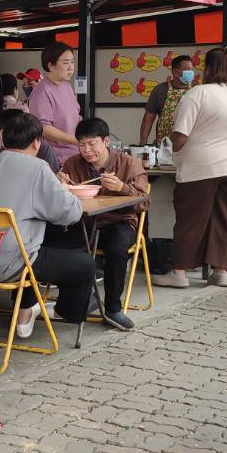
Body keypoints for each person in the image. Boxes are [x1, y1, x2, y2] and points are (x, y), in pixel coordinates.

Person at [0, 113, 94, 338]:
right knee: (84, 264)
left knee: (39, 242)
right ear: (36, 142)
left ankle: (26, 308)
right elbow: (71, 214)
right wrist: (63, 191)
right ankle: (65, 312)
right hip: (12, 265)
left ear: (3, 139)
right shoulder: (38, 168)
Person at [154, 49, 227, 290]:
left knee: (191, 219)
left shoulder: (196, 94)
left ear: (207, 68)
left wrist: (172, 152)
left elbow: (180, 135)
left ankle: (179, 273)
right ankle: (221, 271)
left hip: (201, 166)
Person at [59, 118, 148, 329]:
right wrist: (59, 182)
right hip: (84, 222)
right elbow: (60, 196)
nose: (87, 150)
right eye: (82, 145)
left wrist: (123, 188)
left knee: (117, 249)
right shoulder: (72, 164)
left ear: (106, 141)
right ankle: (81, 299)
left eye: (92, 144)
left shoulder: (127, 164)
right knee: (55, 245)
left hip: (119, 221)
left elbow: (144, 202)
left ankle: (113, 309)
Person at [28, 42, 82, 165]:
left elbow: (76, 117)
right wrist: (74, 140)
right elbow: (43, 128)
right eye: (65, 63)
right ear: (51, 66)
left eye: (72, 62)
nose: (71, 67)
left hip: (75, 154)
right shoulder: (41, 91)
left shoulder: (67, 86)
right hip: (55, 159)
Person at [139, 55, 196, 146]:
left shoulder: (196, 91)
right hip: (164, 147)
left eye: (191, 69)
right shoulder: (160, 90)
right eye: (187, 69)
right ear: (175, 72)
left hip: (189, 147)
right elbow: (148, 119)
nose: (191, 72)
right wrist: (142, 145)